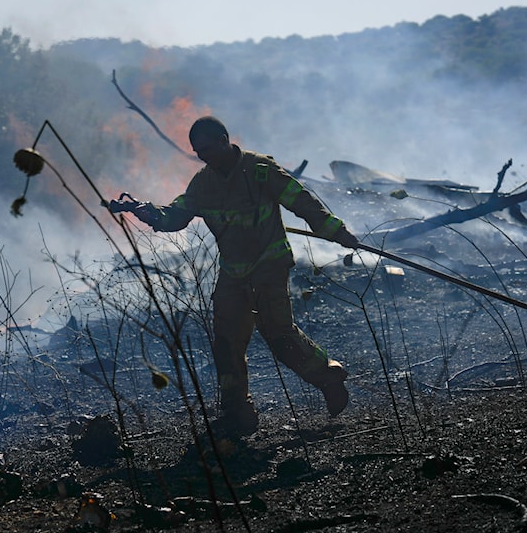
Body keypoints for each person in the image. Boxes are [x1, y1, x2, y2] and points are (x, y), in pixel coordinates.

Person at [130, 115, 361, 438]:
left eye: (208, 148)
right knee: (226, 343)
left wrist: (336, 232)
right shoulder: (203, 184)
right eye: (198, 152)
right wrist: (151, 214)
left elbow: (302, 201)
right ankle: (237, 412)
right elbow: (177, 215)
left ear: (225, 140)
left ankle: (328, 378)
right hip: (233, 273)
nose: (204, 156)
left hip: (269, 265)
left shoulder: (260, 170)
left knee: (279, 336)